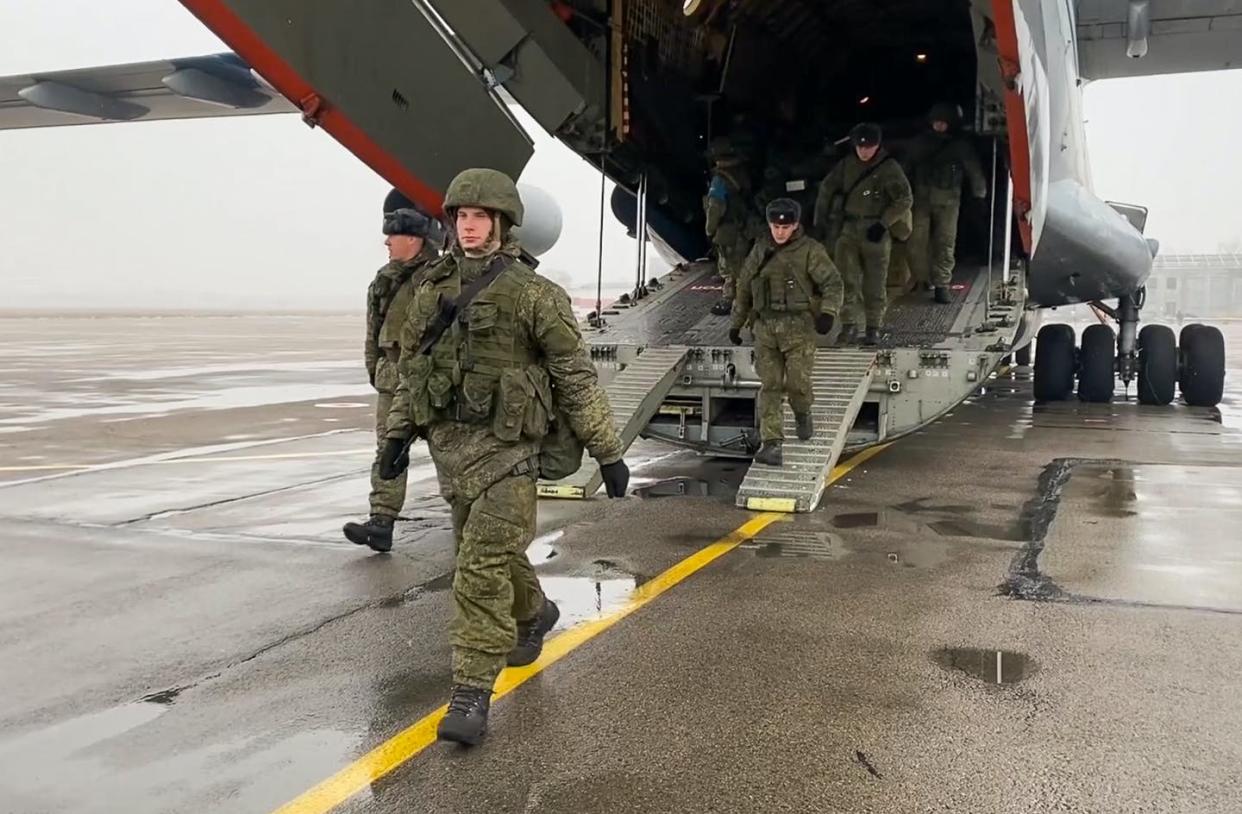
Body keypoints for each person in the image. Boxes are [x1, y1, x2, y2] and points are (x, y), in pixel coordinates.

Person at [379, 168, 630, 745]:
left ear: (502, 223)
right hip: (452, 456)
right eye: (461, 217)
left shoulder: (535, 295)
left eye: (479, 217)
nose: (468, 227)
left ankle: (470, 693)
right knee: (486, 554)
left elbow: (575, 377)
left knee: (478, 572)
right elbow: (411, 373)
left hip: (509, 456)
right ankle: (536, 613)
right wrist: (396, 439)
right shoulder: (432, 290)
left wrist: (608, 452)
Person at [343, 189, 442, 553]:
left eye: (393, 235)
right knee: (388, 451)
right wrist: (376, 369)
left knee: (447, 452)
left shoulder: (441, 277)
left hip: (433, 378)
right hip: (392, 376)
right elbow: (374, 331)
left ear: (413, 239)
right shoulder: (384, 279)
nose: (386, 241)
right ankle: (380, 522)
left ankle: (470, 520)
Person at [730, 198, 843, 467]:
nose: (780, 232)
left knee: (797, 385)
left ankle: (803, 412)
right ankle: (772, 444)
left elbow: (833, 283)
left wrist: (828, 313)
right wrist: (736, 322)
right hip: (765, 329)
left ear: (795, 226)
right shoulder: (759, 250)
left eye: (786, 227)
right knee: (769, 386)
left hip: (798, 330)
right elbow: (744, 286)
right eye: (775, 226)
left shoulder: (810, 252)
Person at [813, 122, 913, 345]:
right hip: (848, 230)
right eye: (860, 147)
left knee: (875, 283)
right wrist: (819, 222)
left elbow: (905, 199)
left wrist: (884, 223)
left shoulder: (889, 168)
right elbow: (826, 188)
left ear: (877, 146)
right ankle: (849, 326)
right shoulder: (847, 165)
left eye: (868, 147)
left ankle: (873, 327)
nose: (864, 151)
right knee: (846, 280)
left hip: (875, 231)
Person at [908, 103, 988, 303]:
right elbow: (904, 168)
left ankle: (942, 284)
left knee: (945, 243)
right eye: (936, 122)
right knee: (917, 242)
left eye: (943, 123)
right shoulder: (920, 143)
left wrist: (980, 196)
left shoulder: (960, 146)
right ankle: (922, 279)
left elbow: (974, 171)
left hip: (948, 201)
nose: (939, 126)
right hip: (922, 199)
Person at [703, 137, 754, 316]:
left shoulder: (720, 180)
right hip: (743, 227)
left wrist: (709, 230)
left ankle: (730, 300)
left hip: (727, 230)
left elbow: (715, 208)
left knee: (728, 268)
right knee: (741, 265)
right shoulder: (741, 173)